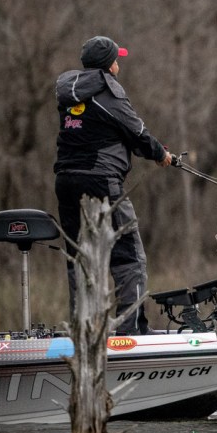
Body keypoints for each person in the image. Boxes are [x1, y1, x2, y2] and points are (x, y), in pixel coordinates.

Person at [54, 35, 172, 335]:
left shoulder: (70, 93)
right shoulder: (108, 93)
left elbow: (98, 130)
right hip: (101, 182)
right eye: (116, 59)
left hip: (66, 181)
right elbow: (137, 133)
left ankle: (86, 331)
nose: (119, 64)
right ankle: (131, 331)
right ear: (108, 65)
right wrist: (161, 155)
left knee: (81, 257)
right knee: (129, 257)